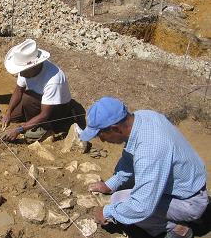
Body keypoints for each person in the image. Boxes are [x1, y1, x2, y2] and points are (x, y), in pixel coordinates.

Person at [80, 96, 208, 238]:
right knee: (124, 194)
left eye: (100, 134)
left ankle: (177, 230)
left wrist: (106, 212)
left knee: (119, 199)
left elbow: (141, 206)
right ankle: (181, 217)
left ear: (115, 128)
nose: (102, 140)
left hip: (189, 202)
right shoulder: (143, 117)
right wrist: (110, 185)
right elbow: (129, 159)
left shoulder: (150, 150)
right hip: (186, 189)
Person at [1, 39, 72, 142]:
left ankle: (46, 128)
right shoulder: (25, 70)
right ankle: (30, 121)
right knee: (12, 116)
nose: (19, 74)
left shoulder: (54, 79)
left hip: (56, 110)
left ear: (33, 67)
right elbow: (19, 90)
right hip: (36, 101)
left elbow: (45, 114)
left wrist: (19, 129)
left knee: (27, 99)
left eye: (21, 70)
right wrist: (8, 112)